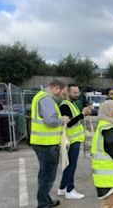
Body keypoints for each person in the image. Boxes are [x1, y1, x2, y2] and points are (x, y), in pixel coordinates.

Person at [30, 79, 70, 208]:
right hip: (46, 144)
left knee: (44, 174)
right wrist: (62, 119)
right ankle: (43, 204)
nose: (62, 96)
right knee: (47, 176)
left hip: (42, 143)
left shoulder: (40, 96)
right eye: (63, 93)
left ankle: (45, 200)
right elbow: (50, 121)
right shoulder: (46, 99)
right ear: (56, 88)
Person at [57, 84, 92, 199]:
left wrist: (83, 114)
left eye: (78, 92)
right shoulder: (65, 106)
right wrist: (82, 114)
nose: (77, 95)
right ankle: (70, 190)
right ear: (67, 93)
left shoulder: (71, 104)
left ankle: (62, 188)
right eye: (75, 93)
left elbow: (75, 120)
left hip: (74, 139)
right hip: (71, 141)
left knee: (68, 165)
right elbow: (70, 123)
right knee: (71, 165)